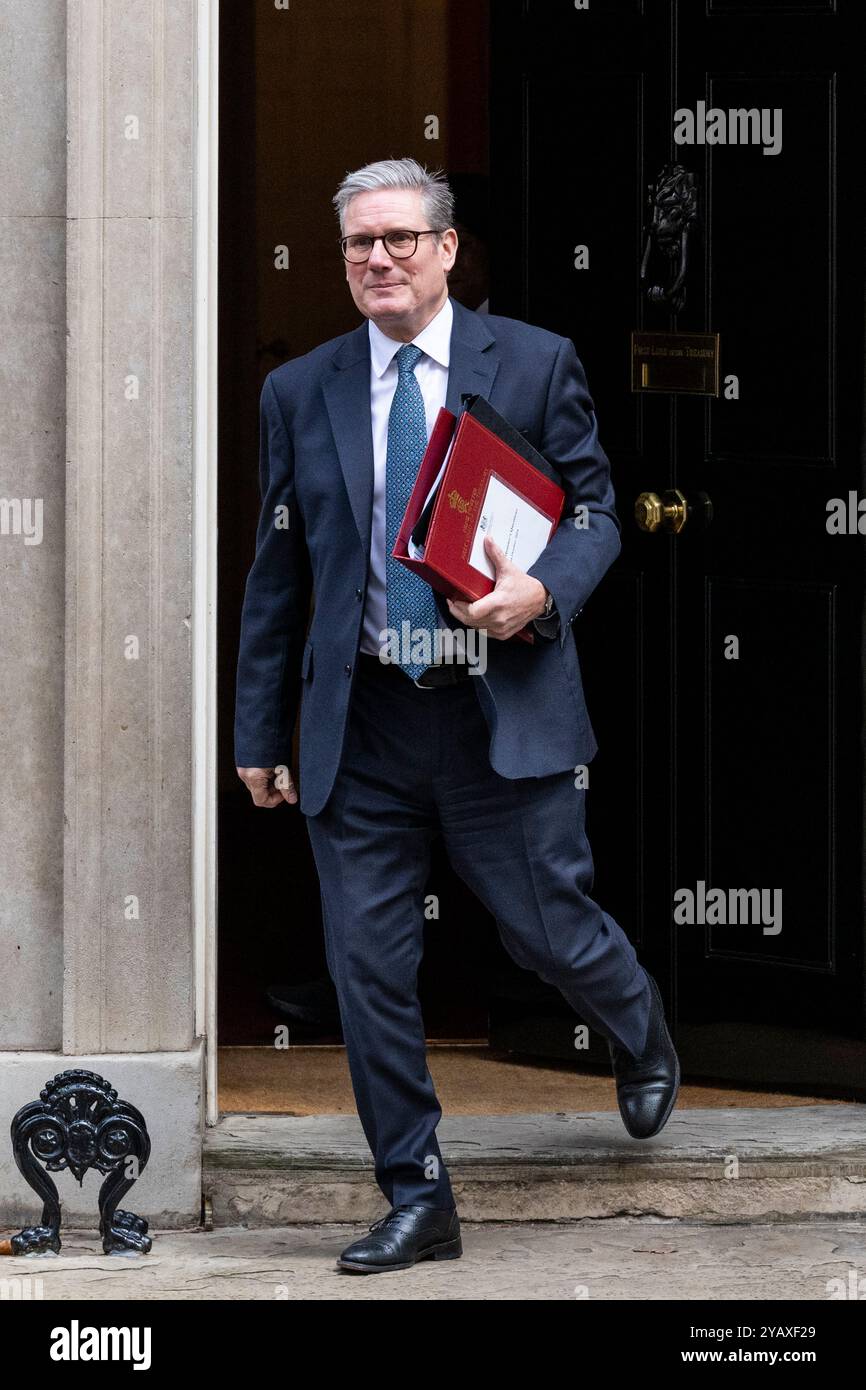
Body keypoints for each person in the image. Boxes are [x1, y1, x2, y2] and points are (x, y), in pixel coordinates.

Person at [234, 157, 679, 1275]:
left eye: (396, 239)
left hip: (494, 710)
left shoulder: (530, 363)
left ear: (442, 249)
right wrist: (254, 734)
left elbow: (593, 512)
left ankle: (638, 1030)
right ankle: (415, 1193)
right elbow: (277, 572)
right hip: (366, 721)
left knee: (547, 932)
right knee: (368, 967)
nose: (374, 259)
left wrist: (543, 590)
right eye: (354, 245)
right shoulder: (300, 392)